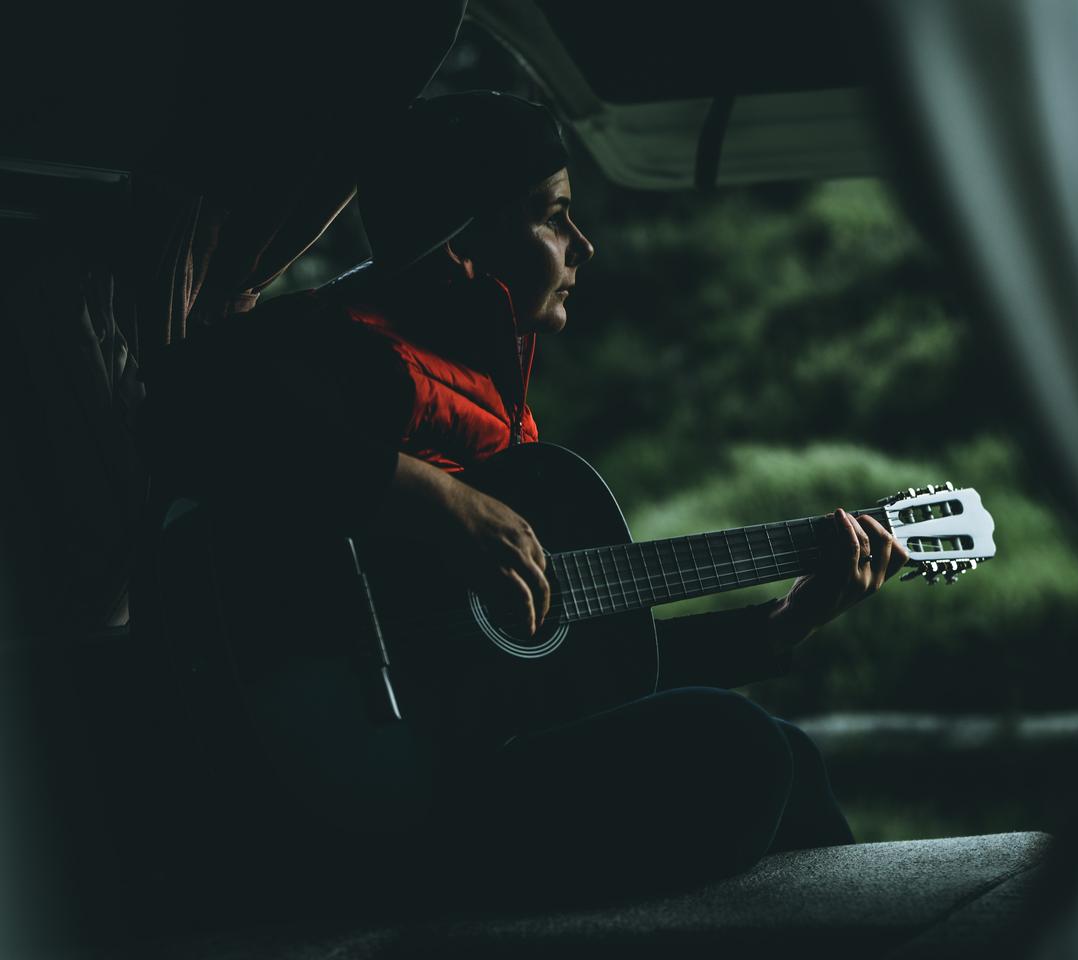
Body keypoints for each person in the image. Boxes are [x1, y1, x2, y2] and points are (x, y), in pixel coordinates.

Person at [136, 91, 909, 909]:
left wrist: (779, 626)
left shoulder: (489, 402)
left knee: (783, 751)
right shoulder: (349, 345)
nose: (584, 245)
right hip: (363, 804)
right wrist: (426, 493)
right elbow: (187, 401)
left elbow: (577, 672)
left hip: (452, 764)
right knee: (738, 747)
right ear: (463, 242)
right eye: (555, 216)